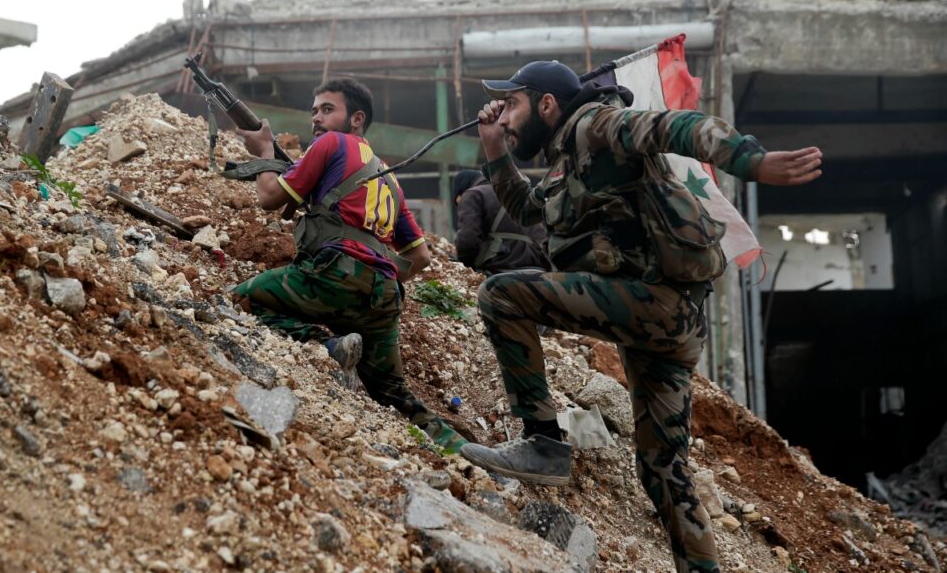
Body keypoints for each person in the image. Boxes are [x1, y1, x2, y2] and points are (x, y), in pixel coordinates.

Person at [458, 60, 822, 572]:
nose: (505, 114)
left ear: (547, 104)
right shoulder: (565, 162)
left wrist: (752, 161)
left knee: (501, 294)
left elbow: (677, 126)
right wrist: (495, 147)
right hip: (664, 322)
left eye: (513, 104)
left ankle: (543, 442)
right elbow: (530, 211)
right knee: (663, 470)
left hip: (653, 303)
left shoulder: (595, 124)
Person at [232, 78, 468, 453]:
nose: (316, 119)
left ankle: (327, 346)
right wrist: (373, 275)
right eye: (313, 111)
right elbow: (420, 257)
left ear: (356, 119)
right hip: (384, 297)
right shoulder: (388, 176)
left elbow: (269, 197)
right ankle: (463, 451)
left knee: (242, 298)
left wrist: (263, 151)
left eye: (327, 109)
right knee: (392, 392)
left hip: (332, 276)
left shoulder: (329, 144)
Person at [452, 169, 548, 274]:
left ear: (460, 191)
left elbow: (468, 240)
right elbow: (542, 236)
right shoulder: (516, 195)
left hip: (500, 269)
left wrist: (466, 265)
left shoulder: (473, 194)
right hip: (538, 270)